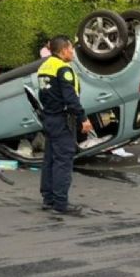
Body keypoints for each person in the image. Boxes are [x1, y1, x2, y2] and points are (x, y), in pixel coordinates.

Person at [37, 35, 93, 216]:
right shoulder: (63, 69)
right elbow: (71, 98)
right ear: (63, 51)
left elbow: (41, 95)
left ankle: (48, 199)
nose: (73, 52)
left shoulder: (44, 67)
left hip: (49, 118)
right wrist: (83, 119)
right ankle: (61, 203)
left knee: (50, 160)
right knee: (63, 161)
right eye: (71, 49)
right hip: (62, 120)